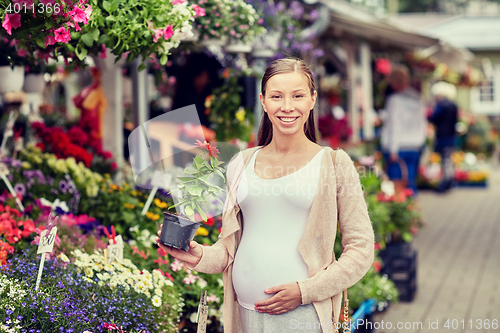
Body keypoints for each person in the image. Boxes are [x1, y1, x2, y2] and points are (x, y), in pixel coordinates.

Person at [157, 58, 374, 333]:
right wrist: (198, 255)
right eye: (276, 96)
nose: (287, 106)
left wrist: (304, 291)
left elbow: (361, 250)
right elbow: (229, 249)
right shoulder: (241, 163)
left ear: (312, 100)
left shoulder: (333, 164)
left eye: (297, 95)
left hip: (303, 316)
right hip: (244, 315)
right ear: (263, 101)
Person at [380, 65, 427, 196]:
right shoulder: (418, 98)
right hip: (415, 147)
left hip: (398, 148)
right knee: (410, 184)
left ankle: (405, 214)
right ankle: (413, 213)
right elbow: (423, 123)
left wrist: (393, 149)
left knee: (397, 188)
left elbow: (395, 125)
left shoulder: (394, 100)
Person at [429, 81, 458, 192]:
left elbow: (432, 117)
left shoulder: (441, 106)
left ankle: (446, 181)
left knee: (445, 160)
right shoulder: (453, 105)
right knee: (448, 159)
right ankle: (449, 179)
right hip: (451, 136)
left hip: (442, 136)